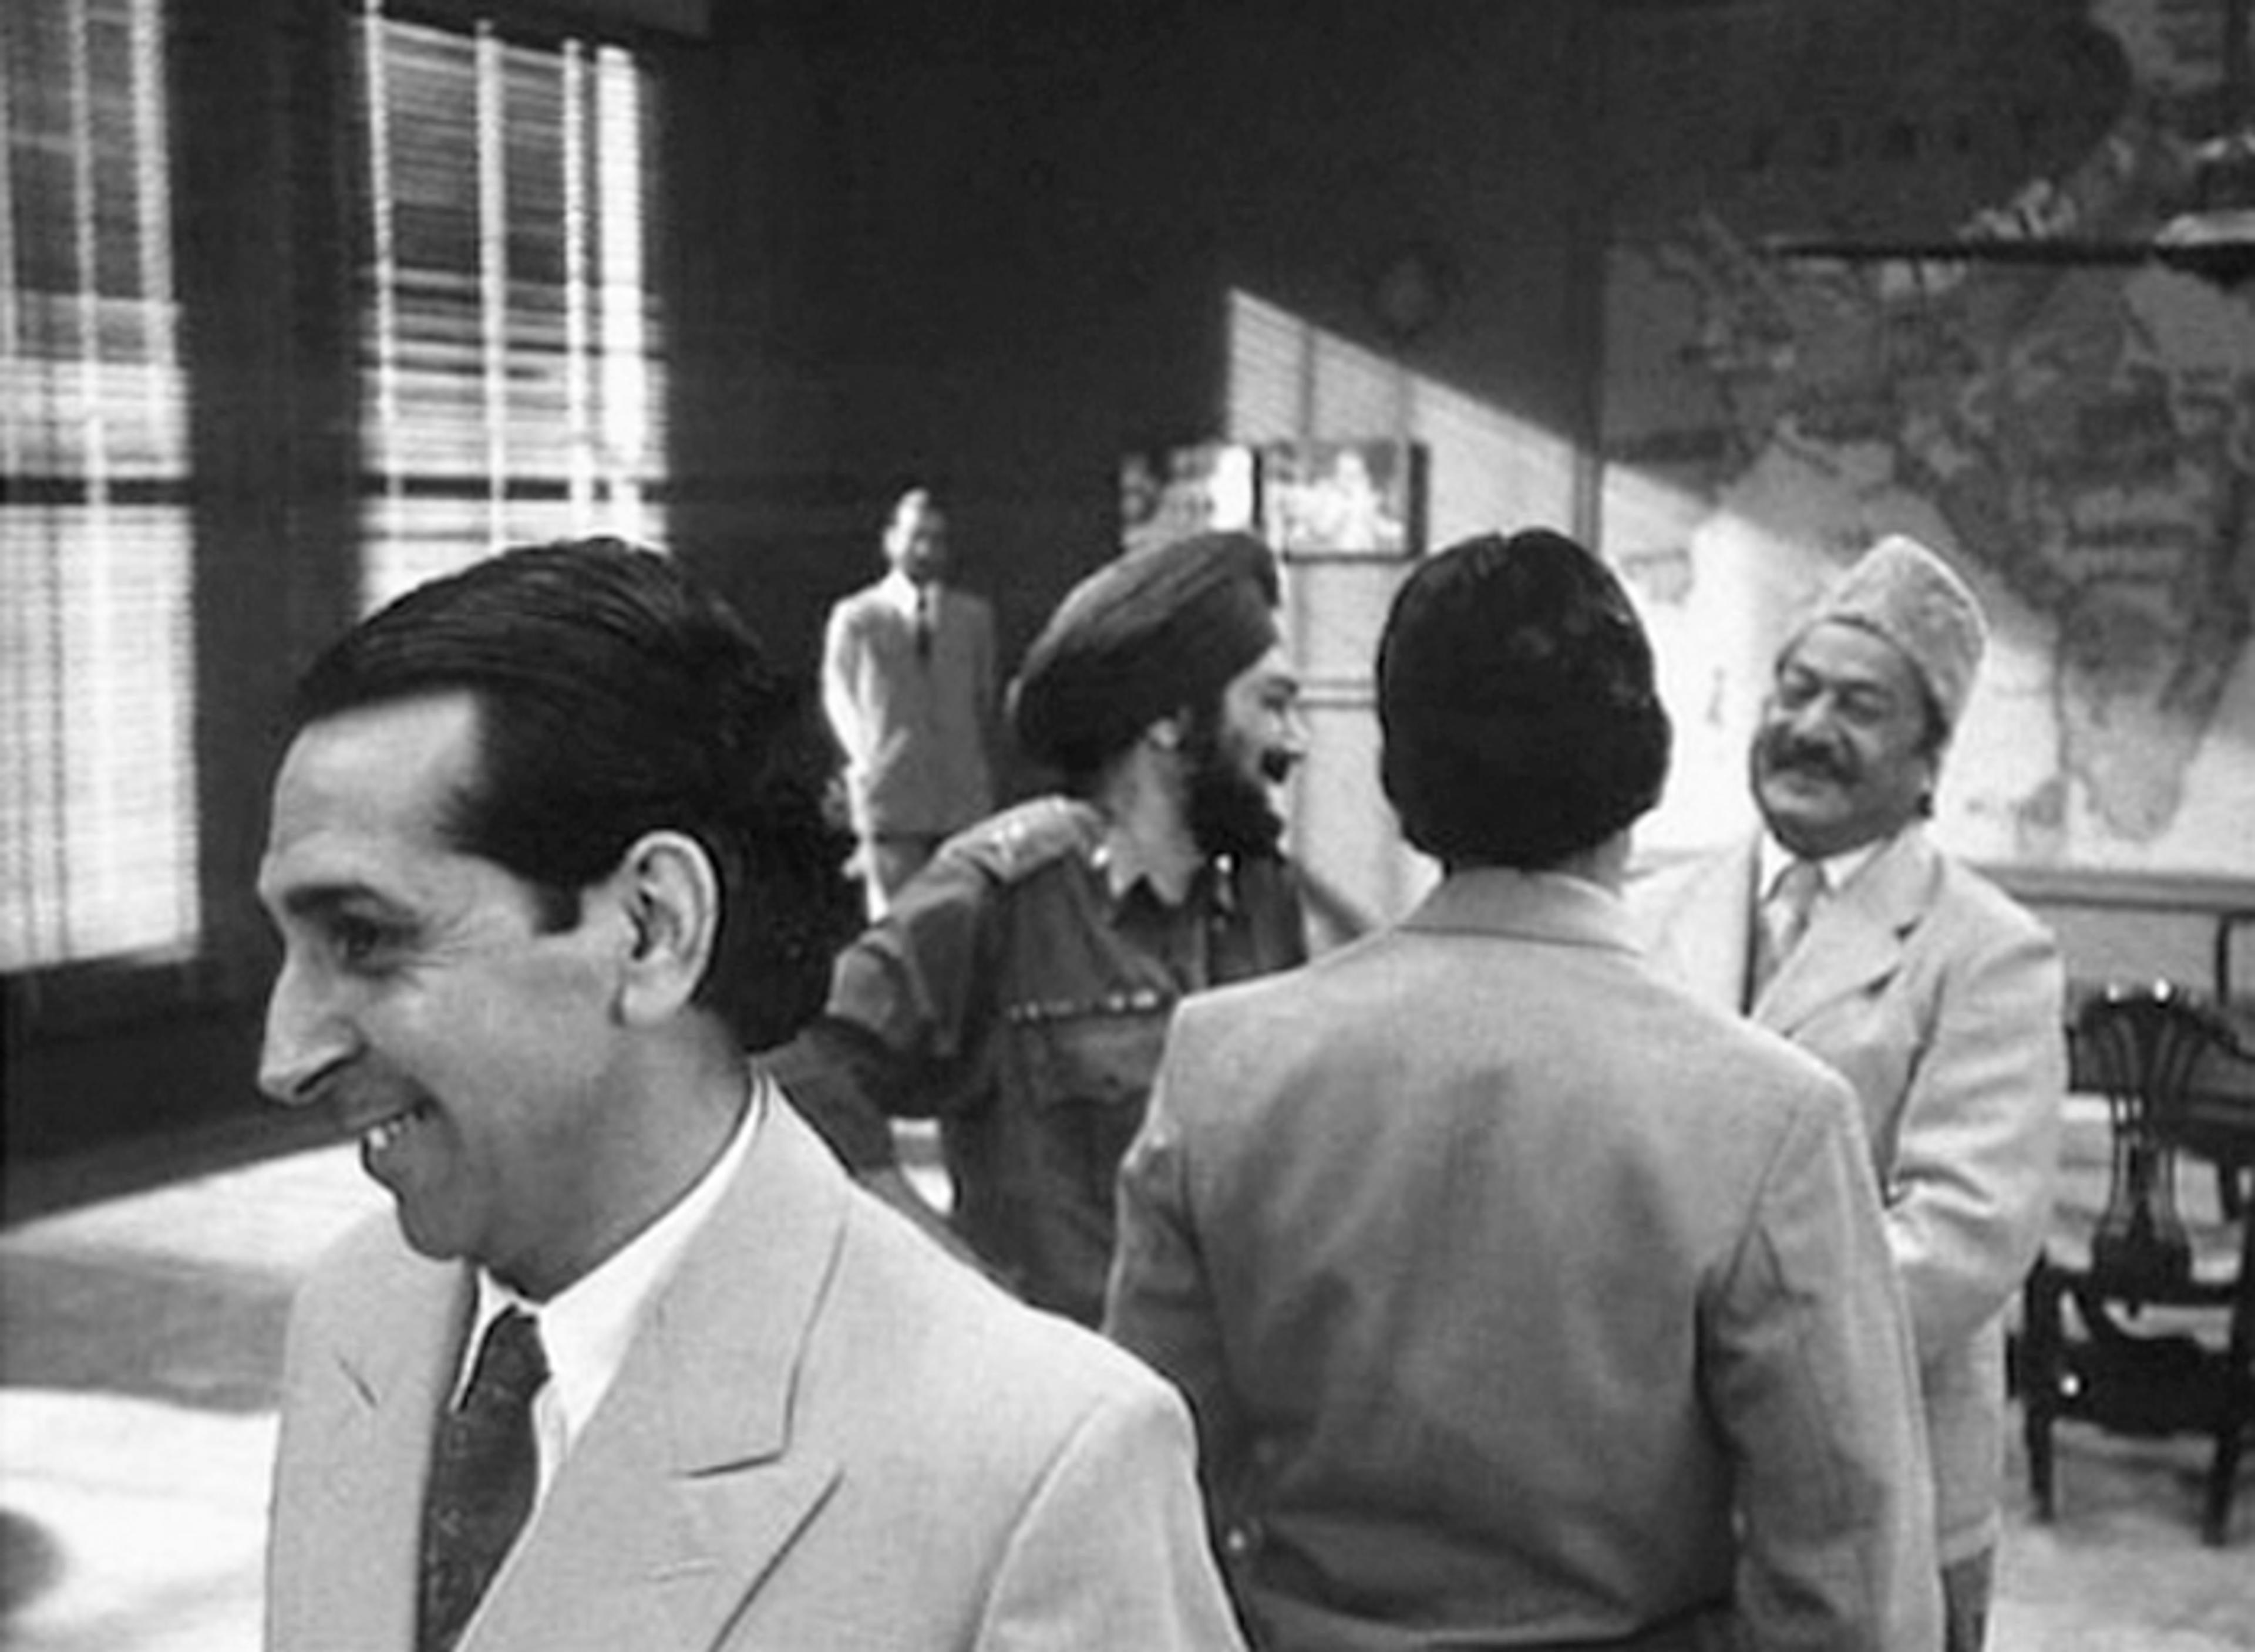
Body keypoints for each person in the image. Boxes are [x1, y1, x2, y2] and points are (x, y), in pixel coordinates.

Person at [257, 538, 1246, 1652]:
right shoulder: (356, 1313)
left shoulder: (1044, 1464)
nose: (284, 1057)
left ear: (652, 927)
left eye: (365, 937)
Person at [1106, 528, 1941, 1651]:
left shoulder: (1223, 1064)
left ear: (1401, 778)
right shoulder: (1772, 1115)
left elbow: (1151, 1494)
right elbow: (1852, 1585)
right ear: (1645, 765)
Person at [1630, 532, 2066, 1652]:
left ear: (1929, 761)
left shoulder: (1990, 951)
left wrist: (1721, 1347)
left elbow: (1965, 1233)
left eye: (1861, 706)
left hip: (1879, 1491)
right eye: (1797, 689)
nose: (1811, 726)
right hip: (1652, 1495)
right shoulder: (1648, 911)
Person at [777, 529, 1308, 1327]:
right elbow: (800, 1072)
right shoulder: (1002, 895)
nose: (1295, 741)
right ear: (1171, 721)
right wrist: (960, 1293)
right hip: (1077, 1380)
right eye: (1271, 704)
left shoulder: (1261, 897)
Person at [820, 486, 998, 918]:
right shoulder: (859, 617)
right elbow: (839, 693)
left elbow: (984, 697)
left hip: (961, 801)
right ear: (891, 541)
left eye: (936, 539)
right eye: (916, 536)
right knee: (896, 924)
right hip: (892, 800)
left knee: (961, 920)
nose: (925, 549)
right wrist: (864, 758)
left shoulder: (972, 617)